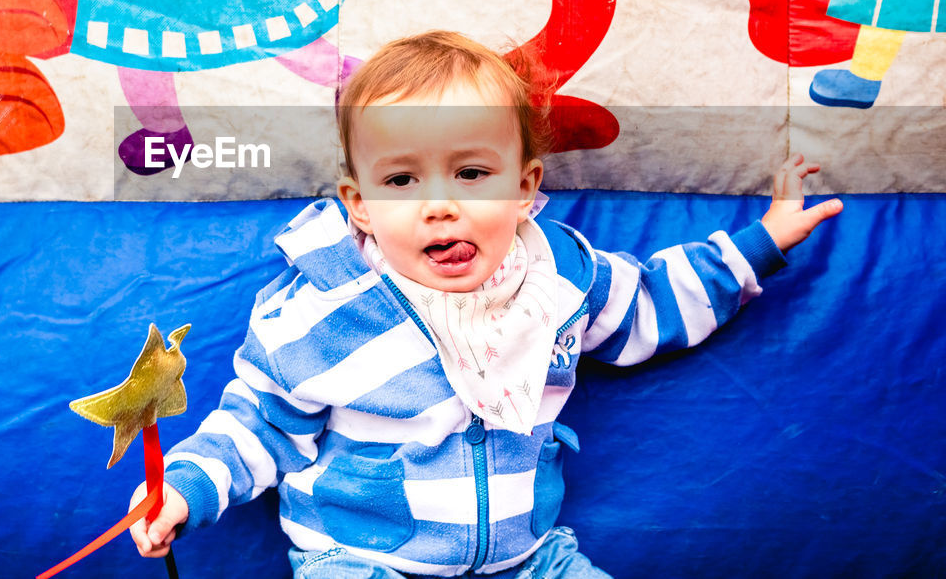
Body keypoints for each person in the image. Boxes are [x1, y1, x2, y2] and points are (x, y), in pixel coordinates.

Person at [127, 30, 842, 577]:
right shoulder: (323, 309)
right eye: (402, 181)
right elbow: (257, 423)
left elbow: (652, 300)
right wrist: (184, 488)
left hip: (525, 557)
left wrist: (761, 242)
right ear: (361, 206)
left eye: (472, 173)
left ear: (526, 187)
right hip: (363, 559)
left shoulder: (560, 275)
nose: (441, 205)